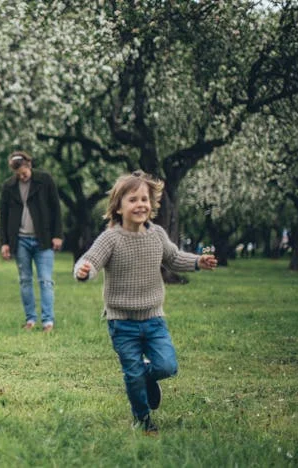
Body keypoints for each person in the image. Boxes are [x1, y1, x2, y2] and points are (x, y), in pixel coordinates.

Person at [73, 170, 217, 435]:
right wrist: (84, 270)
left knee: (167, 366)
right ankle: (143, 419)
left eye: (145, 199)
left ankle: (149, 378)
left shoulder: (157, 235)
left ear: (152, 204)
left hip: (153, 319)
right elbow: (91, 260)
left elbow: (173, 259)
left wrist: (197, 261)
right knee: (132, 374)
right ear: (118, 206)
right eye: (133, 200)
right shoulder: (111, 238)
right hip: (122, 323)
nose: (140, 204)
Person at [0, 151, 63, 332]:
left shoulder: (45, 180)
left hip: (43, 239)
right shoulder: (9, 187)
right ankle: (30, 319)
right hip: (20, 240)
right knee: (25, 280)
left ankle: (48, 321)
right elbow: (3, 216)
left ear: (29, 164)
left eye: (24, 171)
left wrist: (57, 235)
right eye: (18, 173)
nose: (22, 175)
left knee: (45, 280)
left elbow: (55, 208)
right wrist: (4, 242)